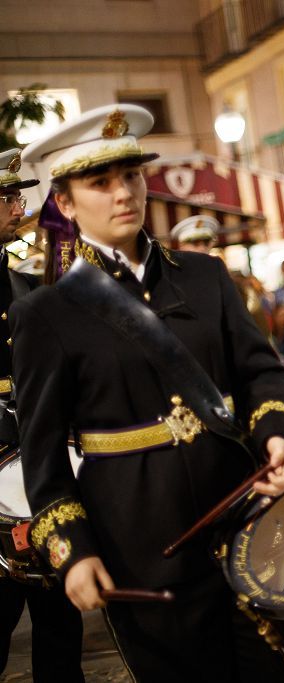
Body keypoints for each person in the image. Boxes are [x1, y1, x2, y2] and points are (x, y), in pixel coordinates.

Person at [15, 105, 284, 680]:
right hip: (141, 545)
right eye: (101, 182)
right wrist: (73, 550)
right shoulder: (46, 313)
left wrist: (276, 437)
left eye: (131, 176)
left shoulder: (205, 276)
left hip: (247, 516)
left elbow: (260, 373)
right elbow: (42, 455)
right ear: (65, 204)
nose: (124, 192)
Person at [0, 149, 85, 681]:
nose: (18, 206)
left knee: (59, 630)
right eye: (6, 198)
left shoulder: (20, 284)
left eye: (16, 196)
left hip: (34, 465)